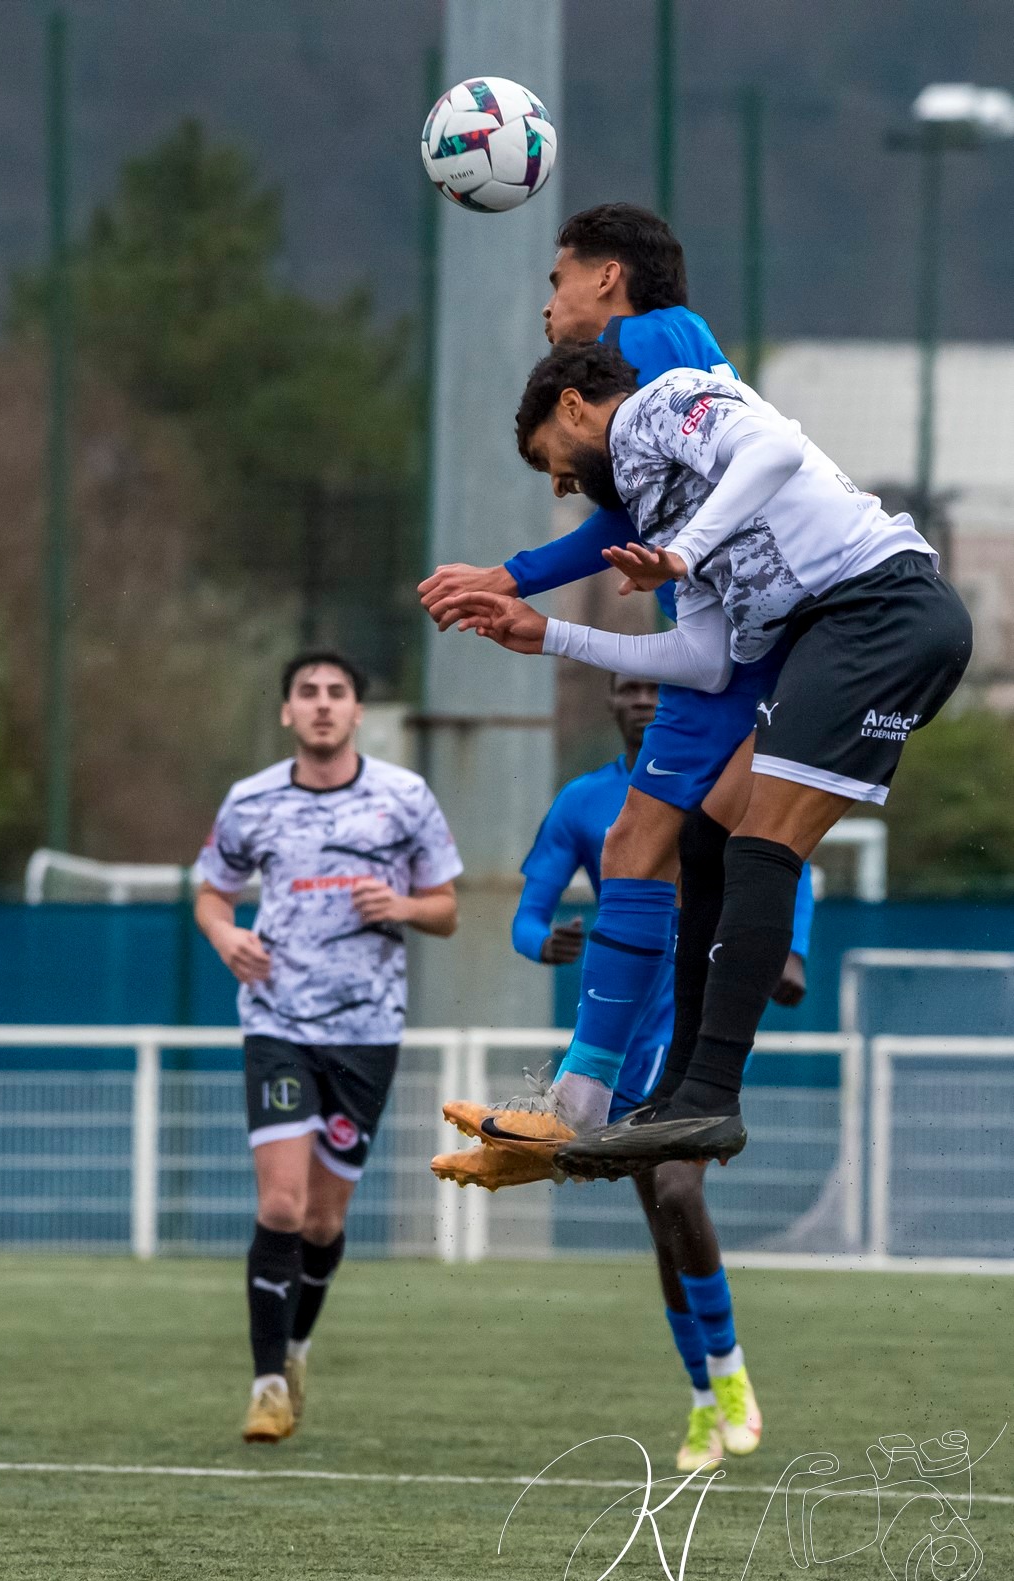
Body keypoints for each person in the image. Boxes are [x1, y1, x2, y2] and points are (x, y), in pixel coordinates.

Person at [452, 342, 972, 1181]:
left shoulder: (666, 402)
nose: (559, 485)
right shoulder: (660, 514)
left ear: (577, 407)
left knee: (761, 840)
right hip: (847, 631)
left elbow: (775, 450)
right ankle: (677, 1097)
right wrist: (549, 635)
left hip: (886, 613)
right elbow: (706, 661)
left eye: (549, 459)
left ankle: (711, 1098)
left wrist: (689, 551)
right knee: (706, 835)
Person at [420, 203, 791, 1152]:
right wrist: (513, 581)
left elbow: (629, 524)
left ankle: (628, 1099)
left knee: (648, 848)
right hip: (725, 641)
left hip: (735, 647)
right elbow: (632, 517)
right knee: (649, 850)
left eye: (556, 281)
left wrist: (510, 574)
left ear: (607, 278)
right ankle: (618, 1100)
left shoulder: (656, 339)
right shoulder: (657, 355)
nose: (549, 307)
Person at [435, 674, 814, 1471]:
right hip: (622, 1021)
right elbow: (527, 913)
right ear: (609, 703)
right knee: (660, 1220)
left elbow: (789, 863)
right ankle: (707, 1398)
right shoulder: (583, 803)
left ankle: (731, 1377)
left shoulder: (723, 779)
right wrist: (545, 942)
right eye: (630, 686)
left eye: (658, 685)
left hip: (696, 1011)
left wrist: (791, 951)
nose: (645, 697)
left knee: (680, 1188)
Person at [195, 650, 462, 1442]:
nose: (320, 705)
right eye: (306, 693)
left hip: (367, 1031)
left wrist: (404, 907)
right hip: (277, 1021)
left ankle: (299, 1346)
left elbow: (447, 908)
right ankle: (267, 1383)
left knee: (321, 1220)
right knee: (279, 1201)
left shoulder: (402, 798)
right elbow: (212, 891)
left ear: (356, 713)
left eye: (335, 693)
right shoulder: (251, 802)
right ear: (286, 713)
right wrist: (223, 936)